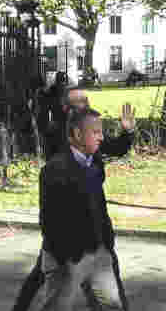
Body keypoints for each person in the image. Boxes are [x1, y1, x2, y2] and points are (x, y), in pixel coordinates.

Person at [16, 107, 134, 310]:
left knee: (112, 305)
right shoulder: (55, 169)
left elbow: (116, 148)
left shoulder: (94, 160)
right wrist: (65, 257)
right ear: (78, 134)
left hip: (98, 253)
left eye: (101, 132)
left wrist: (128, 132)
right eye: (96, 132)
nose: (101, 137)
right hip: (67, 259)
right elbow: (48, 220)